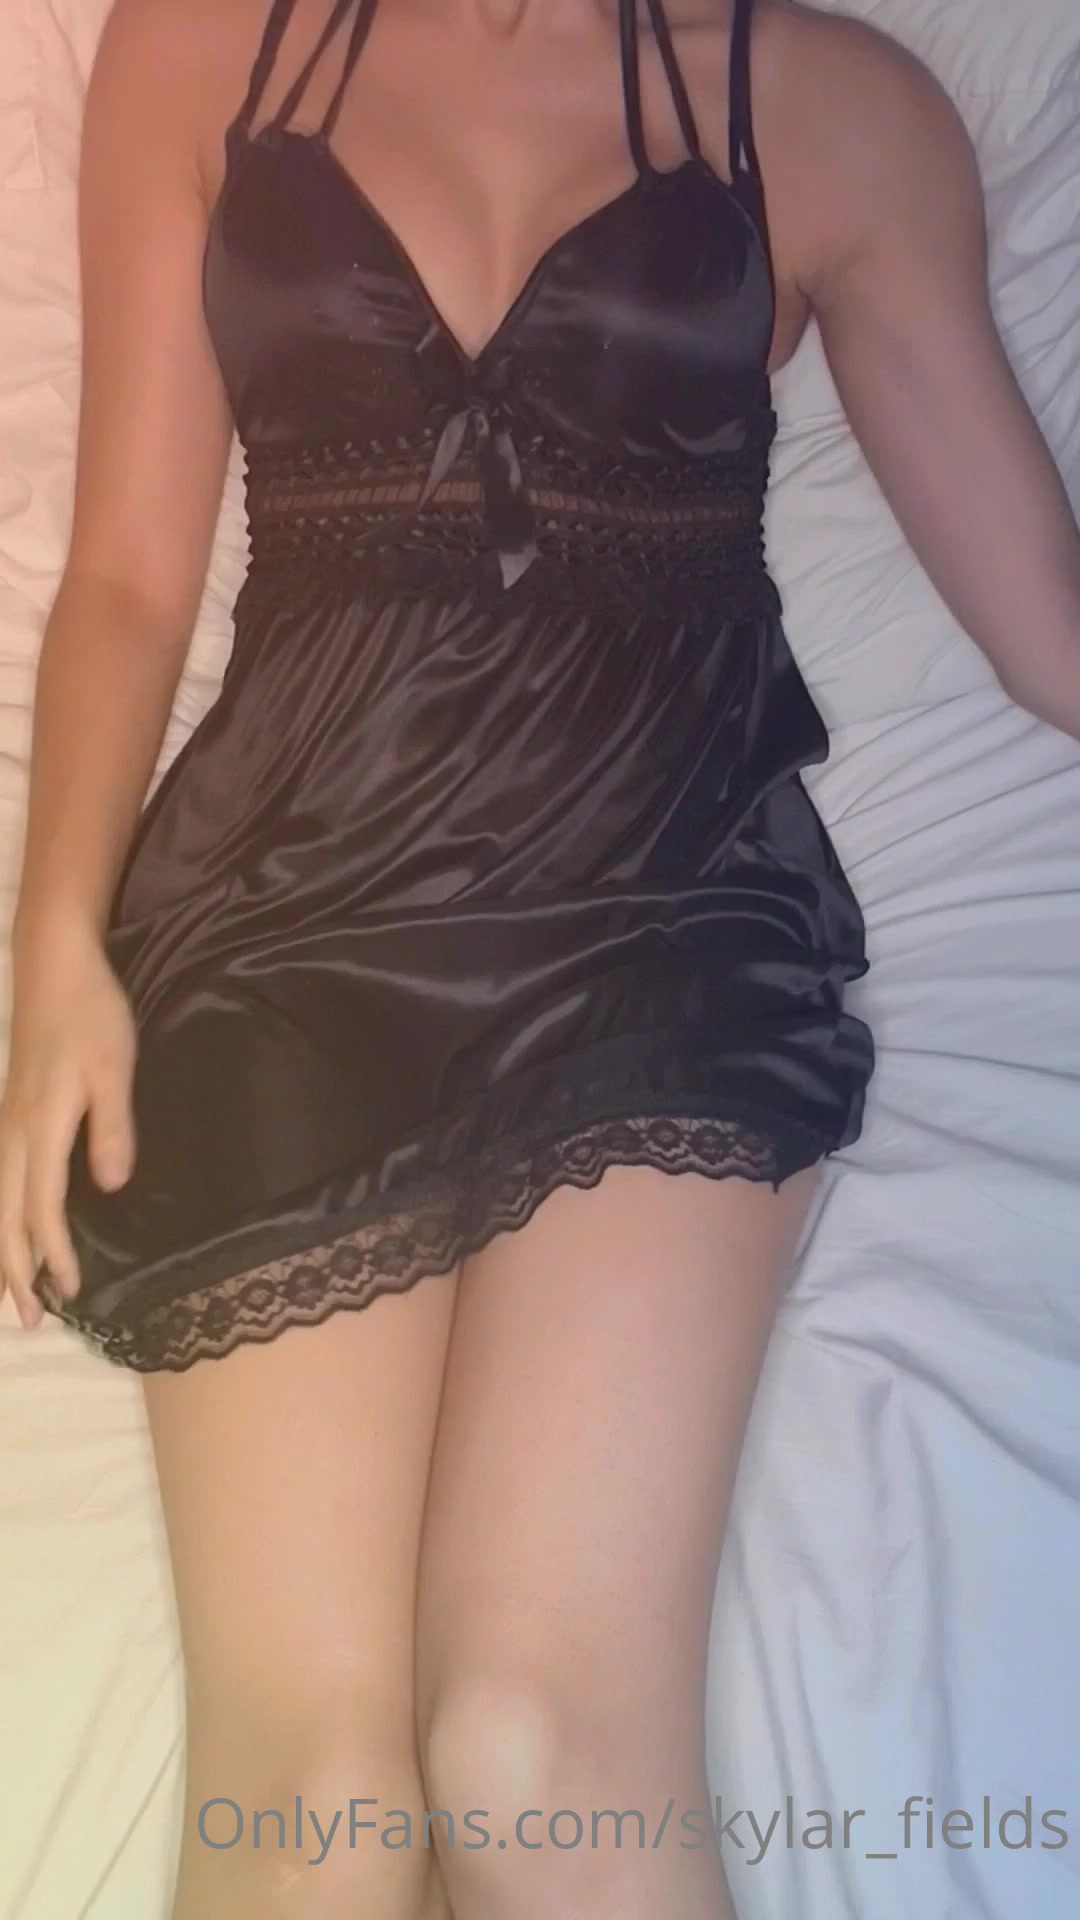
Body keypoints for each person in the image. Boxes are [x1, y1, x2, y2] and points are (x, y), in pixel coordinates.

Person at [2, 0, 1078, 1914]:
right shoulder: (201, 47)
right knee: (321, 1806)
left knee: (528, 1748)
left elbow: (1052, 626)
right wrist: (53, 957)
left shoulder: (841, 109)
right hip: (284, 913)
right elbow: (130, 580)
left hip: (668, 915)